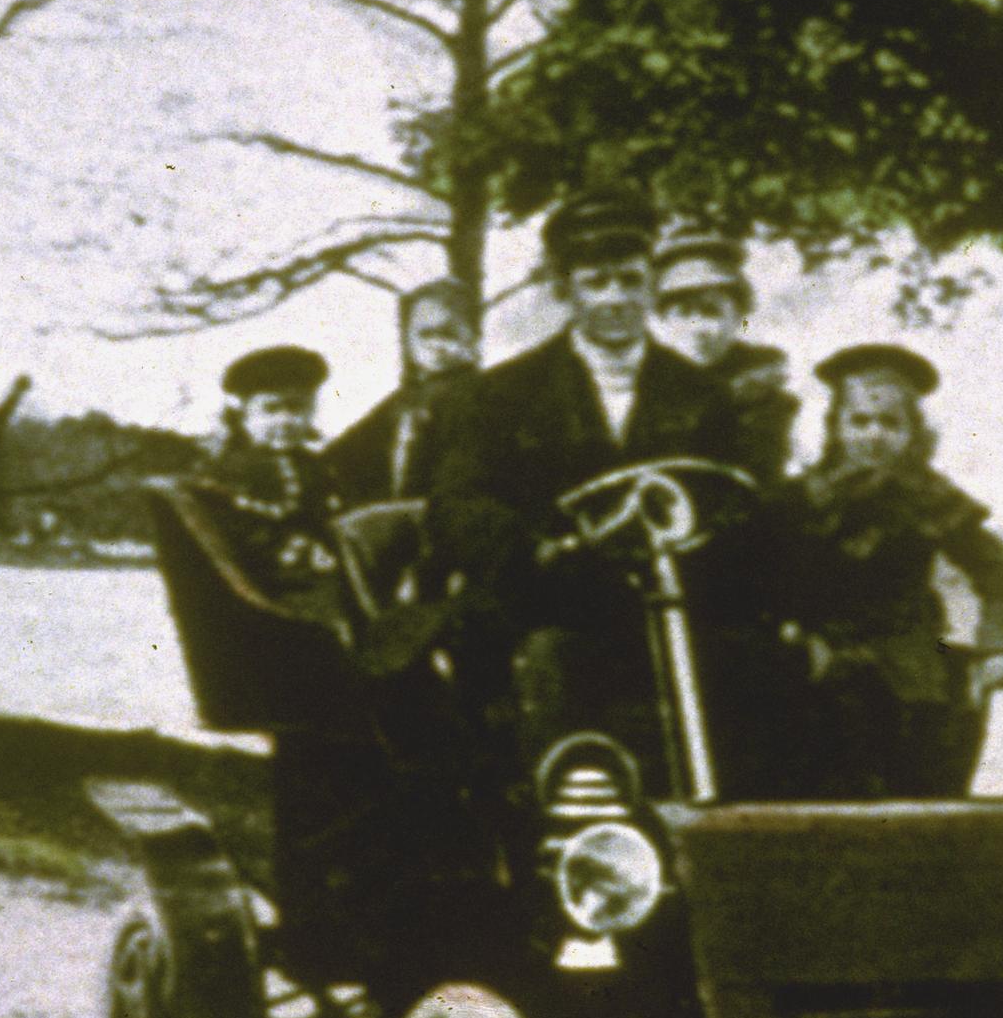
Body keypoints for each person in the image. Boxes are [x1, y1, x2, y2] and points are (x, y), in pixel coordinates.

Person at [424, 188, 746, 789]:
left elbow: (735, 499)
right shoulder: (498, 396)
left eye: (631, 280)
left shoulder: (703, 394)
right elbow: (458, 505)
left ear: (652, 285)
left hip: (670, 601)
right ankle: (561, 818)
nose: (616, 299)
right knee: (550, 662)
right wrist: (540, 550)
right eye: (597, 282)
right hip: (547, 601)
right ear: (563, 290)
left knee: (755, 666)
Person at [774, 342, 1003, 797]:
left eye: (890, 423)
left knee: (917, 771)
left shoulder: (930, 497)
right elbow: (761, 575)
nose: (874, 435)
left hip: (907, 660)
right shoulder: (800, 499)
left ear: (912, 432)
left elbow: (996, 573)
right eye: (859, 422)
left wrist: (999, 646)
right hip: (817, 656)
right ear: (836, 427)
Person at [196, 341, 342, 616]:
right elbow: (238, 528)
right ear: (244, 415)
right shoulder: (234, 468)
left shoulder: (312, 464)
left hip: (319, 566)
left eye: (297, 408)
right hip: (269, 582)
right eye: (271, 409)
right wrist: (301, 550)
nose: (285, 420)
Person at [650, 224, 797, 477]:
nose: (697, 328)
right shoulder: (642, 388)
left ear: (737, 318)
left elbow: (759, 477)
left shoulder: (762, 398)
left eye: (711, 312)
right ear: (663, 319)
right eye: (683, 313)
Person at [322, 277, 480, 508]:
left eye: (448, 334)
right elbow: (348, 450)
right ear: (408, 339)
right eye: (425, 334)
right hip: (400, 508)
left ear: (472, 336)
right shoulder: (405, 399)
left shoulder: (478, 395)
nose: (436, 344)